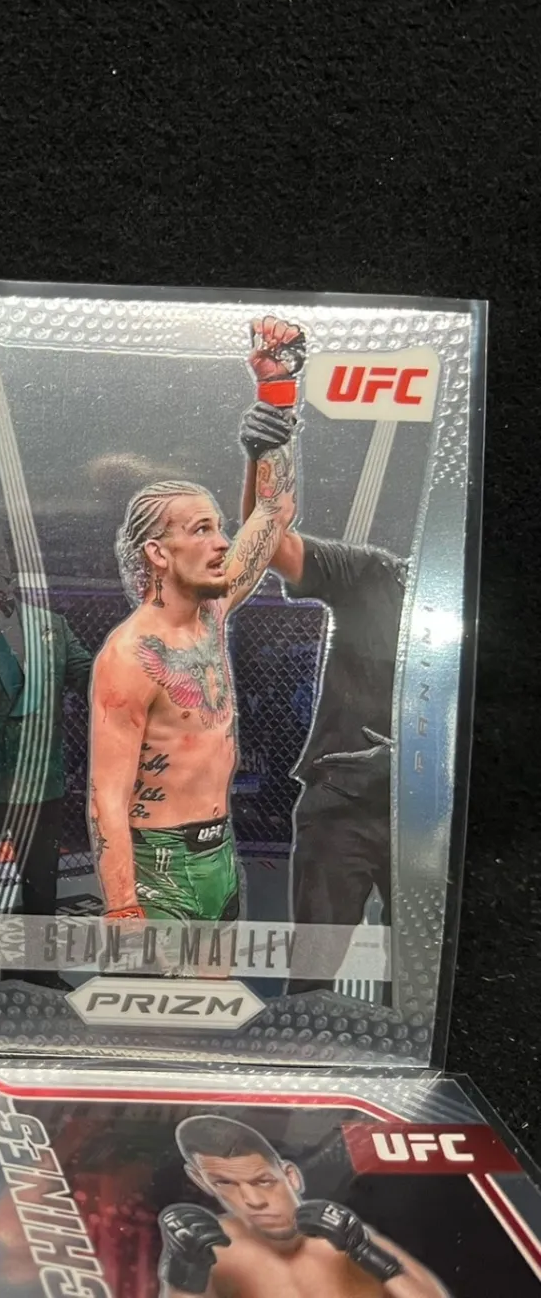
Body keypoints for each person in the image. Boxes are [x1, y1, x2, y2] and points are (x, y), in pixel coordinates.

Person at [87, 318, 303, 923]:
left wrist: (276, 398)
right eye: (202, 529)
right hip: (160, 861)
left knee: (214, 981)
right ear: (158, 552)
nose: (221, 542)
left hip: (218, 846)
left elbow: (273, 513)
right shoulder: (129, 655)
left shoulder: (213, 613)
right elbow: (107, 795)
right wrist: (122, 904)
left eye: (218, 527)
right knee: (161, 986)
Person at [237, 403, 407, 991]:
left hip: (430, 818)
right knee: (313, 976)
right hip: (344, 806)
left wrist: (409, 764)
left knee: (420, 983)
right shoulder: (377, 575)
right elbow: (270, 544)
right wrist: (267, 452)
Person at [0, 533, 95, 962]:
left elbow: (87, 675)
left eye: (1, 570)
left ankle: (41, 970)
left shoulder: (52, 626)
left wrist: (129, 673)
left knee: (41, 884)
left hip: (40, 778)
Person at [158, 1115, 446, 1297]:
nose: (254, 1201)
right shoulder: (210, 1251)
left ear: (291, 1176)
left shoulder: (342, 1242)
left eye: (263, 1181)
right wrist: (185, 1273)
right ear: (201, 1181)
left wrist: (366, 1251)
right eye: (225, 1183)